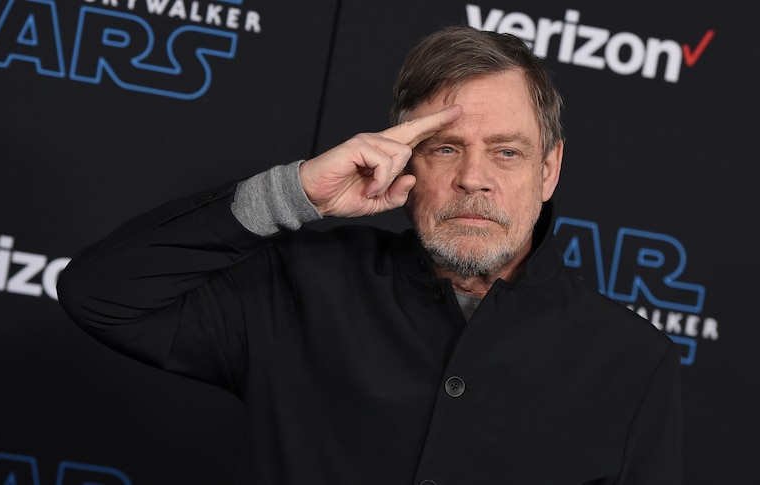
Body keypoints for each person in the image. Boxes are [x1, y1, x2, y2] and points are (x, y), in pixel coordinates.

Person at [58, 26, 681, 485]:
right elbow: (100, 295)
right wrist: (292, 193)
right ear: (402, 155)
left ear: (550, 170)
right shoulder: (303, 283)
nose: (473, 178)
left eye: (507, 152)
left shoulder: (632, 361)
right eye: (442, 148)